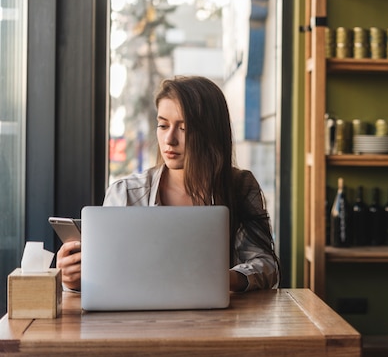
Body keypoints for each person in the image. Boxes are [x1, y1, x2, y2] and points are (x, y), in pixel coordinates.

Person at [57, 75, 280, 292]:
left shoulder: (239, 187)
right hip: (138, 321)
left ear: (210, 134)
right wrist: (74, 280)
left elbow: (266, 264)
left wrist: (225, 279)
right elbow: (102, 274)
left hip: (215, 321)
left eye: (184, 128)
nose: (170, 139)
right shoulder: (125, 193)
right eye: (163, 126)